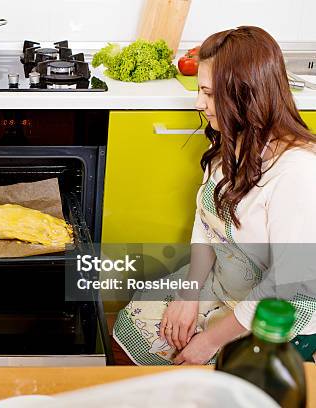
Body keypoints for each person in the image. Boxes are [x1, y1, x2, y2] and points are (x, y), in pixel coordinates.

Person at [113, 26, 316, 365]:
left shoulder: (298, 173)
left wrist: (209, 340)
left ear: (246, 96)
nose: (198, 104)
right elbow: (206, 224)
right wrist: (189, 293)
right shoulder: (231, 140)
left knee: (190, 374)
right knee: (128, 325)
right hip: (224, 286)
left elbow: (288, 287)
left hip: (275, 314)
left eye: (208, 94)